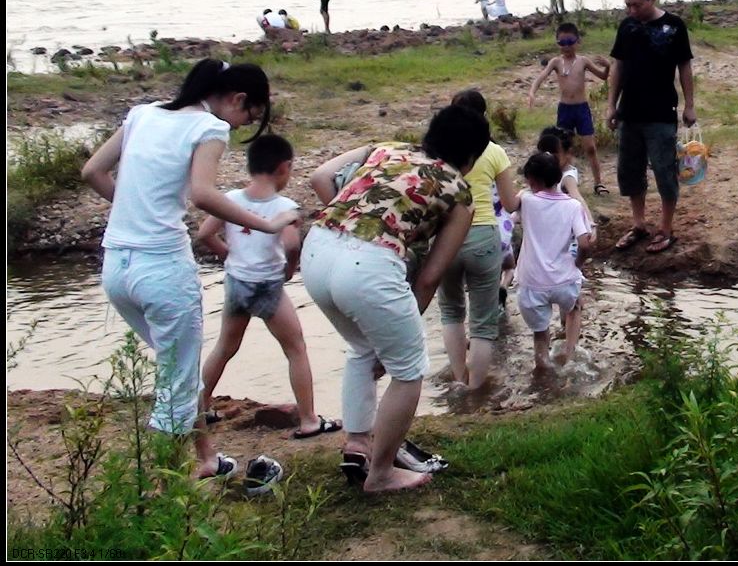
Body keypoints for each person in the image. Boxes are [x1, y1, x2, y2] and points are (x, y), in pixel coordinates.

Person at [81, 58, 298, 485]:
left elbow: (92, 171)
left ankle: (207, 458)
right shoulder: (209, 127)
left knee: (174, 370)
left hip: (117, 267)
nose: (239, 126)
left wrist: (135, 212)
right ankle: (157, 491)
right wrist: (265, 222)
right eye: (247, 116)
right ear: (236, 99)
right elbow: (202, 194)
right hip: (161, 268)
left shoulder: (144, 113)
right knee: (178, 383)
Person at [302, 105, 490, 493]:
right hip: (369, 265)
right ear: (471, 157)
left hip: (317, 249)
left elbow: (319, 177)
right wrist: (407, 326)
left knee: (361, 350)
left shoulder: (387, 149)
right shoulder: (460, 192)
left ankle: (358, 443)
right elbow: (430, 277)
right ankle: (382, 472)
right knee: (407, 369)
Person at [197, 134, 341, 441]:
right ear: (284, 168)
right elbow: (290, 244)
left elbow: (205, 234)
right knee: (296, 348)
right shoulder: (285, 206)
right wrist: (290, 269)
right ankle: (309, 420)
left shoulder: (232, 200)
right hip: (267, 287)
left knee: (225, 347)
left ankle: (198, 408)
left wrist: (229, 255)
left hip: (237, 283)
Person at [606, 0, 695, 254]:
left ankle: (666, 228)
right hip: (629, 112)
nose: (632, 10)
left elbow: (684, 68)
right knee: (630, 171)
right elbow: (617, 67)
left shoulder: (674, 26)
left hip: (661, 112)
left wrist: (689, 105)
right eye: (628, 5)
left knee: (664, 170)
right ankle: (639, 223)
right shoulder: (627, 26)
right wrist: (611, 104)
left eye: (636, 5)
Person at [438, 90, 518, 391]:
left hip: (445, 238)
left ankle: (458, 381)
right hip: (484, 235)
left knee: (450, 312)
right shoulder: (495, 152)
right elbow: (510, 204)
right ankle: (475, 391)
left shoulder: (438, 150)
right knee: (483, 324)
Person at [509, 152, 591, 369]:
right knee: (574, 307)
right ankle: (570, 358)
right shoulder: (573, 206)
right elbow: (584, 243)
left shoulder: (526, 200)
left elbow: (509, 216)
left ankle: (543, 368)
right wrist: (578, 265)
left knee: (540, 334)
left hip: (531, 283)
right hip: (563, 280)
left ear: (532, 180)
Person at [527, 22, 611, 195]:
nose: (566, 46)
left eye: (570, 42)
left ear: (577, 41)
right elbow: (541, 77)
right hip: (565, 109)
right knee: (562, 149)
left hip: (581, 109)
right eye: (562, 43)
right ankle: (559, 183)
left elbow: (603, 76)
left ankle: (598, 183)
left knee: (590, 148)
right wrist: (532, 92)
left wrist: (608, 65)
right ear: (557, 42)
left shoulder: (583, 61)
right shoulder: (556, 62)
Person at [537, 127, 597, 251]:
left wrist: (590, 223)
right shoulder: (545, 171)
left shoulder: (567, 176)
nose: (549, 160)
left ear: (568, 153)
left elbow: (577, 197)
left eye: (554, 156)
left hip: (565, 231)